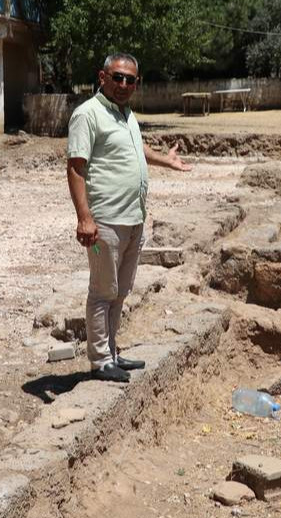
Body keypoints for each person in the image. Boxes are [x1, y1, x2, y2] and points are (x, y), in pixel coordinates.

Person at [66, 53, 191, 383]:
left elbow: (137, 149)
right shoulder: (88, 114)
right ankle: (100, 361)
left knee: (120, 291)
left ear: (137, 83)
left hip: (133, 218)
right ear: (102, 77)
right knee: (102, 291)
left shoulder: (125, 113)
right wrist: (84, 218)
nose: (123, 84)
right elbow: (76, 167)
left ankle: (112, 352)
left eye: (130, 79)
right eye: (117, 77)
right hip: (105, 220)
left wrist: (166, 160)